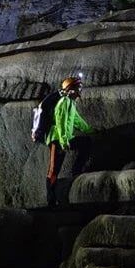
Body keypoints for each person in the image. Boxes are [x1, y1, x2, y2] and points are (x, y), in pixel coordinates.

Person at [43, 75, 94, 207]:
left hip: (63, 138)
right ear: (71, 89)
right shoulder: (64, 102)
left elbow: (77, 121)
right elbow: (61, 123)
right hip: (57, 139)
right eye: (79, 87)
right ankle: (51, 200)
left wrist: (91, 131)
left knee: (86, 143)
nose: (81, 89)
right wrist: (64, 142)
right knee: (54, 170)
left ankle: (76, 172)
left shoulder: (71, 103)